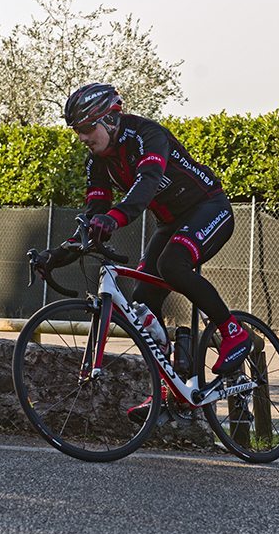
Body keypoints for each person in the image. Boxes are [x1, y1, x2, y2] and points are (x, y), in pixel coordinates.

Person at [38, 83, 252, 421]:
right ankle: (170, 392)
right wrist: (58, 254)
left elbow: (146, 184)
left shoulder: (147, 136)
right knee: (142, 300)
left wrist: (115, 218)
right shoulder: (98, 162)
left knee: (172, 264)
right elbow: (95, 211)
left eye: (86, 128)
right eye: (76, 131)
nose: (82, 137)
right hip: (170, 223)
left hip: (209, 208)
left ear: (109, 120)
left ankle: (233, 331)